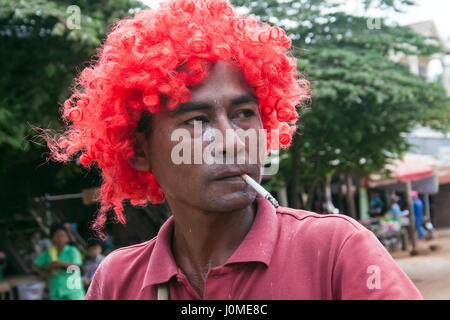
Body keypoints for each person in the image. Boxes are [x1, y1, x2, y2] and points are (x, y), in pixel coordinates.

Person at [43, 0, 422, 299]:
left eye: (243, 113)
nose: (231, 140)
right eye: (197, 120)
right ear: (139, 150)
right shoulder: (117, 283)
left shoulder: (337, 251)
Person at [31, 224, 85, 300]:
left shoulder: (73, 250)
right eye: (57, 236)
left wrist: (58, 264)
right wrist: (43, 274)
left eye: (62, 235)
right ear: (52, 239)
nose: (60, 238)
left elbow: (75, 268)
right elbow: (35, 266)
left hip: (73, 291)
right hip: (56, 291)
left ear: (67, 238)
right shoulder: (49, 252)